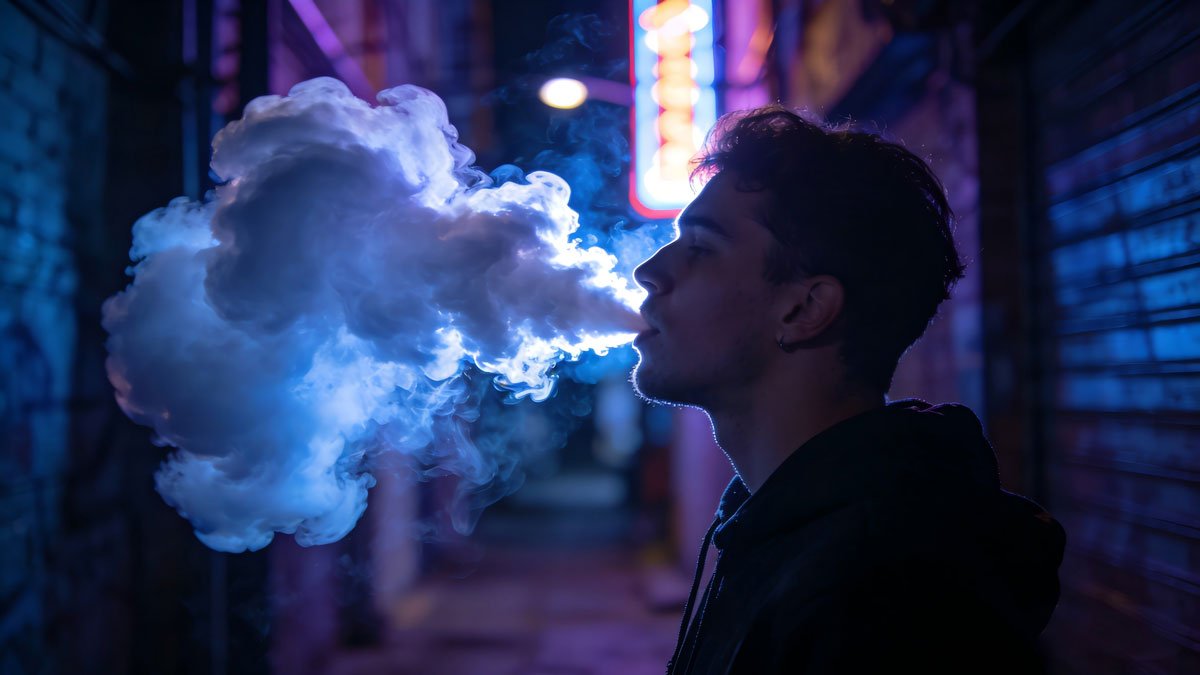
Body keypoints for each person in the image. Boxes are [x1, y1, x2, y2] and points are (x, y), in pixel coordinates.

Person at [630, 106, 1066, 674]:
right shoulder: (783, 525)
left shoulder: (886, 598)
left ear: (805, 309)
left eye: (700, 247)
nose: (649, 271)